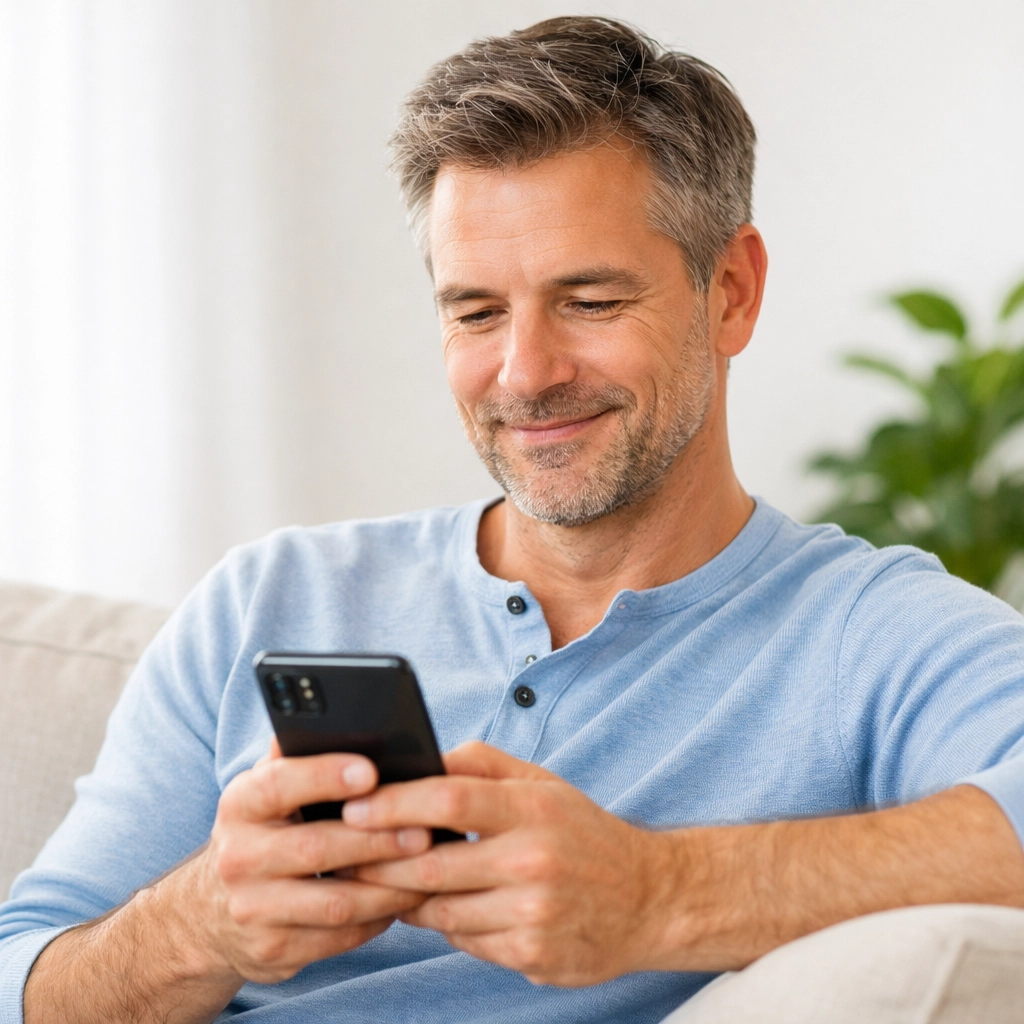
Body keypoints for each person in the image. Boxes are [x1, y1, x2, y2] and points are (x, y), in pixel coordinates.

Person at [4, 15, 1024, 1024]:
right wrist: (197, 926)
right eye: (476, 311)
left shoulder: (862, 634)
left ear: (731, 293)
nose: (524, 374)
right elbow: (24, 979)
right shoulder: (267, 599)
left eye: (588, 300)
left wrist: (653, 893)